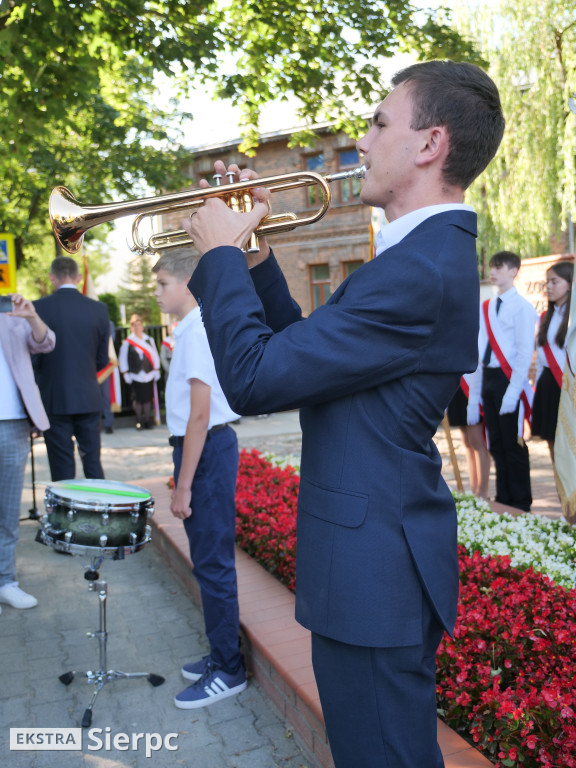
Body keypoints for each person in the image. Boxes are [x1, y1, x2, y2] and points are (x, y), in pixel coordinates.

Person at [181, 60, 505, 767]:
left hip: (373, 570)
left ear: (430, 145)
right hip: (371, 561)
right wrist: (261, 255)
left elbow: (258, 379)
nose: (360, 142)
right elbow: (303, 353)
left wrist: (220, 258)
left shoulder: (418, 267)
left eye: (378, 123)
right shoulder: (418, 257)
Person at [152, 252, 244, 709]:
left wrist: (183, 484)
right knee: (209, 562)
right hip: (203, 450)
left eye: (163, 283)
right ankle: (220, 654)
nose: (158, 292)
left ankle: (229, 669)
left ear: (188, 284)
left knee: (213, 564)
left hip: (205, 451)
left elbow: (200, 415)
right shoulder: (189, 329)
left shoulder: (196, 331)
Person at [467, 251, 538, 512]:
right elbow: (479, 352)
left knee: (514, 444)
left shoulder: (523, 308)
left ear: (514, 271)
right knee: (495, 443)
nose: (493, 271)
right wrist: (474, 399)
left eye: (499, 267)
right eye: (492, 267)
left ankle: (521, 502)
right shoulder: (485, 307)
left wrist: (513, 392)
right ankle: (505, 500)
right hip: (489, 379)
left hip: (511, 380)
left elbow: (523, 353)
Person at [0, 294, 55, 612]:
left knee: (7, 512)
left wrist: (31, 316)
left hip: (11, 425)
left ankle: (6, 581)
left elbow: (45, 342)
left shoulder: (12, 315)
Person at [34, 257, 109, 481]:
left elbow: (34, 358)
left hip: (54, 397)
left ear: (51, 277)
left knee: (61, 466)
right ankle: (99, 510)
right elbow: (103, 359)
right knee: (93, 462)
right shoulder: (98, 309)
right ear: (78, 277)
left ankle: (66, 515)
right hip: (88, 395)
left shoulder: (38, 308)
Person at [532, 260, 574, 461]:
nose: (548, 286)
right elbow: (540, 359)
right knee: (551, 439)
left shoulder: (573, 317)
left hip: (569, 385)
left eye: (554, 282)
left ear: (569, 284)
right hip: (548, 385)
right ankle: (561, 492)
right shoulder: (544, 317)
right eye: (547, 282)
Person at [446, 373, 491, 498]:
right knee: (467, 442)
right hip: (458, 387)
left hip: (472, 386)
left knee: (477, 441)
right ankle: (474, 487)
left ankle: (483, 491)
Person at [118, 314, 160, 429]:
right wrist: (125, 373)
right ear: (131, 327)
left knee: (147, 398)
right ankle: (139, 420)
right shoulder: (128, 342)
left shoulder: (149, 340)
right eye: (134, 325)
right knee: (137, 399)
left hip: (149, 374)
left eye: (139, 325)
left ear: (142, 326)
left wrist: (156, 369)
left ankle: (147, 420)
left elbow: (155, 355)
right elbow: (122, 359)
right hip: (135, 375)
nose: (137, 328)